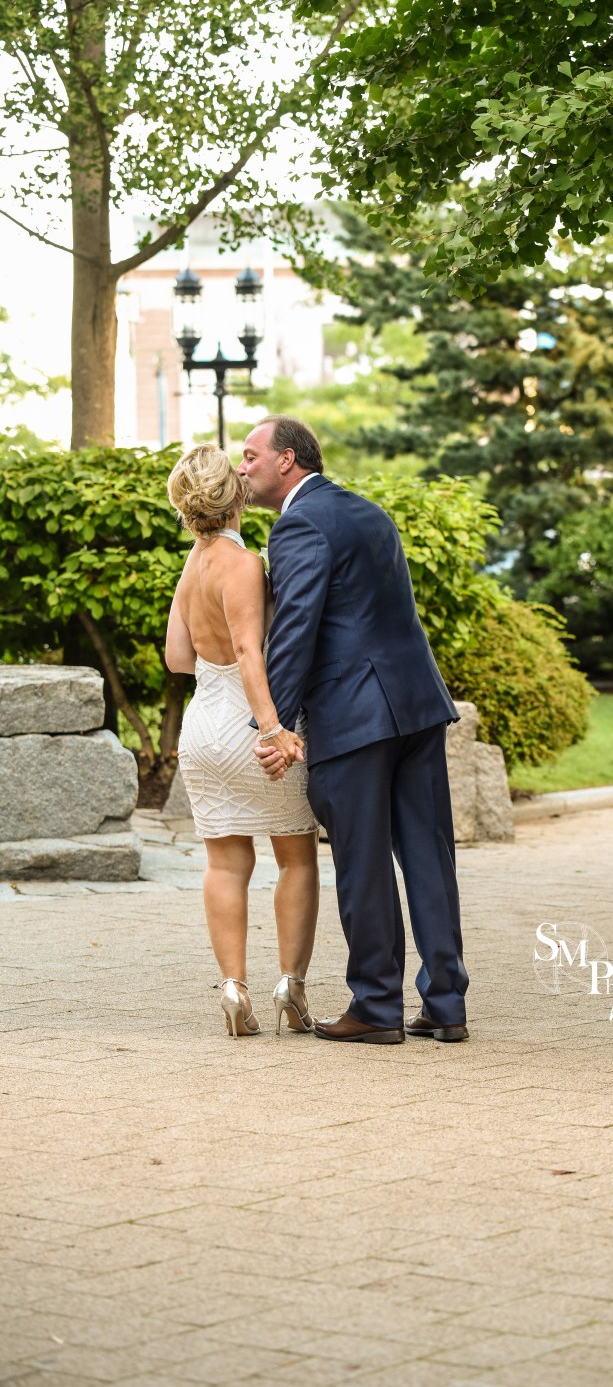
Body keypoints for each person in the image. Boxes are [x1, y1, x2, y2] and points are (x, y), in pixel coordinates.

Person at [238, 415, 469, 1044]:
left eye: (251, 455)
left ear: (287, 460)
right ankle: (446, 1005)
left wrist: (275, 724)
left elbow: (295, 631)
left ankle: (375, 1007)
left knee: (363, 863)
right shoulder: (367, 511)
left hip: (353, 715)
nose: (242, 467)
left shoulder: (299, 524)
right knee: (429, 857)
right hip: (417, 706)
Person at [165, 444, 320, 1039]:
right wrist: (273, 728)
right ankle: (291, 987)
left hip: (201, 726)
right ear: (236, 498)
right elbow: (252, 652)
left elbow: (179, 659)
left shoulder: (193, 564)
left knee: (226, 863)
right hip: (249, 722)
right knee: (295, 855)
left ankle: (234, 990)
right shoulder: (244, 562)